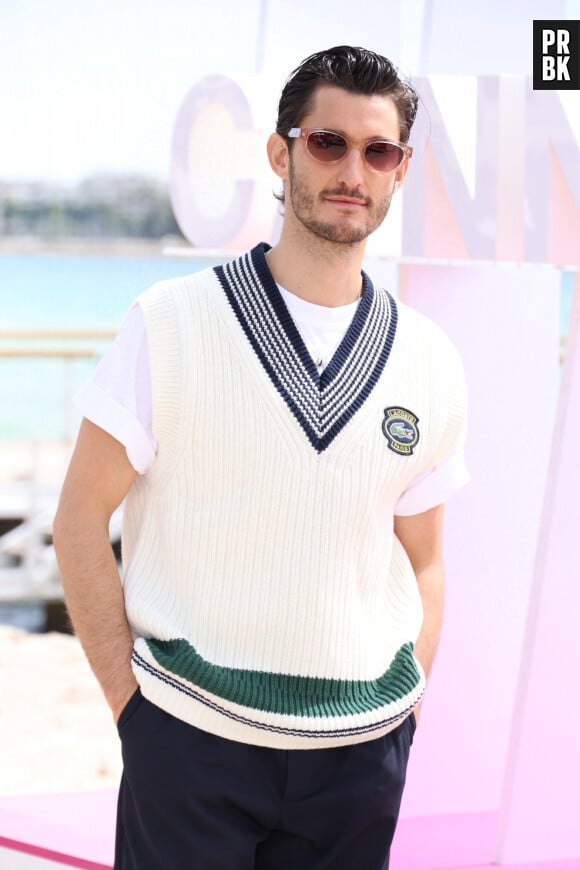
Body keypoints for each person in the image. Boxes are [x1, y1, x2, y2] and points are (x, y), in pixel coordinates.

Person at [53, 45, 469, 870]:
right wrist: (132, 708)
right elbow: (77, 520)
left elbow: (423, 560)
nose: (353, 169)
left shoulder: (430, 359)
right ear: (280, 153)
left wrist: (403, 711)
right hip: (191, 745)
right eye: (328, 142)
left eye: (377, 151)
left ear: (399, 172)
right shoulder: (169, 323)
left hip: (359, 759)